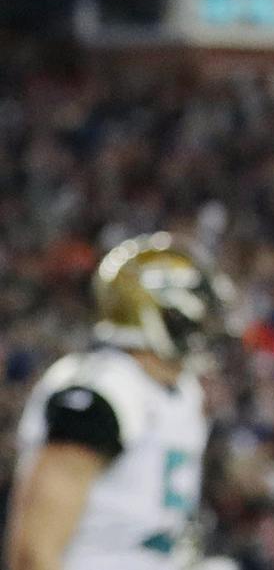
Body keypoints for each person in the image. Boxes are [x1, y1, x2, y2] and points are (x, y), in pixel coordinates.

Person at [6, 236, 228, 570]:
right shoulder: (102, 392)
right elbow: (33, 551)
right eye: (196, 315)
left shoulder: (182, 390)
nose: (205, 327)